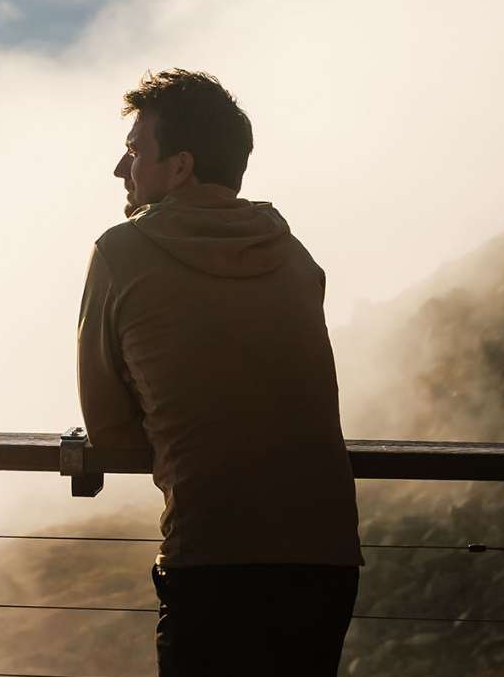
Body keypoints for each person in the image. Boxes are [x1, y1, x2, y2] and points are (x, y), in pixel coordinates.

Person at [78, 70, 361, 675]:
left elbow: (107, 427)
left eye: (134, 152)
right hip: (327, 560)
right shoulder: (293, 251)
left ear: (179, 168)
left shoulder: (120, 252)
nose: (120, 170)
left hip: (212, 556)